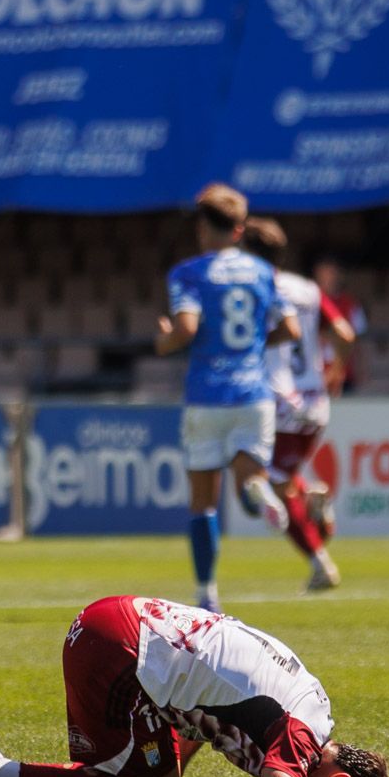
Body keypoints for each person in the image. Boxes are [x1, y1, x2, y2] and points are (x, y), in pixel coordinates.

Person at [0, 594, 389, 777]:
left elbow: (206, 709)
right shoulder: (300, 732)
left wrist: (163, 771)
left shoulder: (310, 701)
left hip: (116, 624)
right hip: (121, 655)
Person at [155, 184, 299, 612]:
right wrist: (254, 345)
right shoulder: (262, 272)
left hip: (206, 396)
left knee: (203, 502)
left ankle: (207, 594)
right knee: (249, 480)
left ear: (203, 228)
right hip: (253, 395)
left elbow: (186, 329)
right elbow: (290, 328)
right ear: (239, 230)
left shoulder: (189, 273)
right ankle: (259, 492)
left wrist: (163, 341)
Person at [244, 219, 356, 592]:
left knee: (265, 486)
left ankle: (319, 563)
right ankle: (310, 498)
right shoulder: (308, 289)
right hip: (316, 402)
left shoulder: (257, 288)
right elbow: (344, 334)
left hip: (278, 403)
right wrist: (336, 372)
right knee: (282, 480)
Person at [312, 257, 369, 394]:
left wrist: (362, 369)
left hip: (344, 375)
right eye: (323, 273)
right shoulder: (309, 303)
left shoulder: (351, 304)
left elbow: (357, 341)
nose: (327, 278)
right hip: (314, 374)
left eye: (331, 273)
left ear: (339, 275)